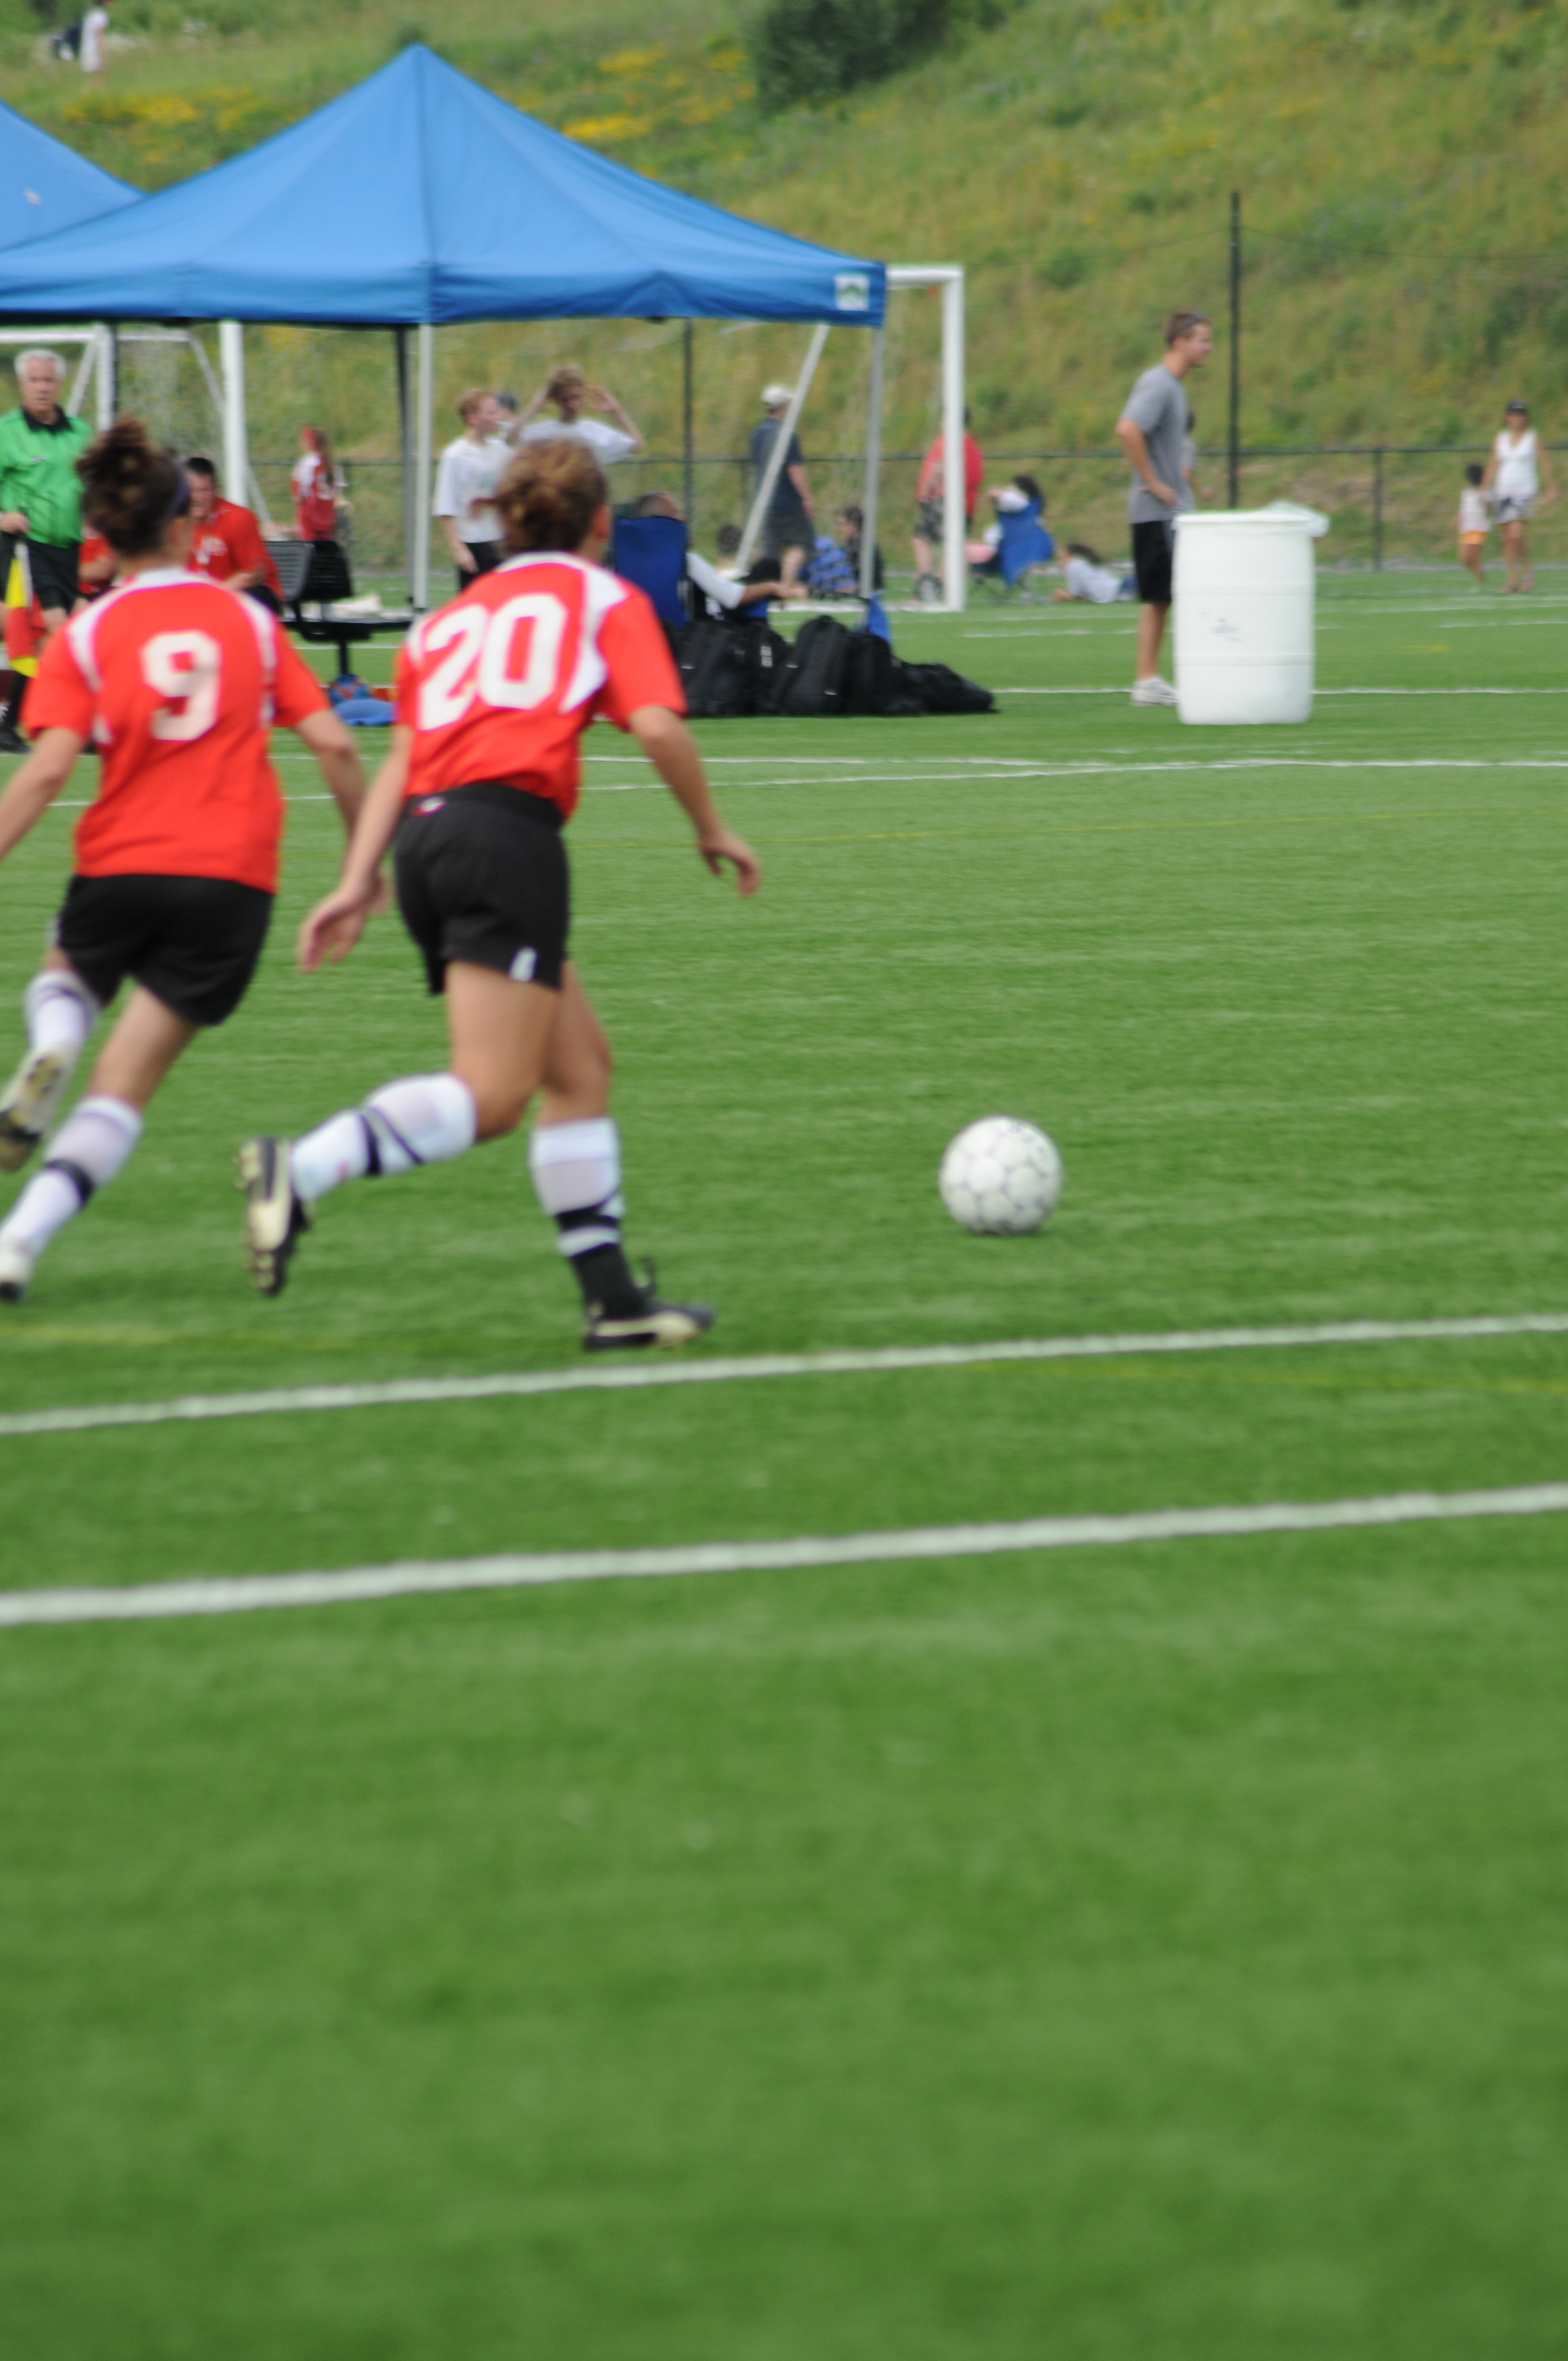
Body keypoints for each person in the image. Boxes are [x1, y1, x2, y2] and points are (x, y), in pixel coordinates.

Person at [238, 436, 761, 1351]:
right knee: (492, 1093)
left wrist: (358, 878)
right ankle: (302, 1169)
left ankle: (612, 1302)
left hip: (428, 840)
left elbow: (403, 757)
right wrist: (710, 827)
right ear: (601, 522)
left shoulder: (448, 622)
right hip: (503, 839)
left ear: (505, 524)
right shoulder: (604, 598)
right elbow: (656, 726)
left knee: (579, 1069)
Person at [0, 420, 368, 1302]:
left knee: (66, 983)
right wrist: (363, 870)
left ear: (103, 535)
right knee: (121, 1091)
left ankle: (55, 1042)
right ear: (182, 526)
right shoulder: (246, 622)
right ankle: (17, 1242)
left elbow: (46, 770)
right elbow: (336, 745)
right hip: (233, 882)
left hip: (122, 863)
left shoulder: (88, 633)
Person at [1114, 309, 1213, 706]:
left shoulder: (1173, 386)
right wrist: (1153, 482)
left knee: (1167, 597)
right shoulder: (1159, 383)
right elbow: (1128, 428)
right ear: (1180, 341)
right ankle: (1147, 680)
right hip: (1156, 512)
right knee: (1161, 598)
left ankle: (1152, 678)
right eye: (1202, 340)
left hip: (1169, 513)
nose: (1209, 347)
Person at [0, 349, 94, 647]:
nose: (42, 388)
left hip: (69, 550)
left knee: (74, 632)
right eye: (34, 380)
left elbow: (97, 484)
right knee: (55, 631)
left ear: (59, 384)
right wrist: (3, 518)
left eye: (48, 380)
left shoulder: (80, 432)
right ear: (22, 383)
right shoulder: (6, 432)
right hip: (27, 547)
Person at [629, 489, 783, 618]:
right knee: (769, 567)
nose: (682, 517)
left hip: (647, 632)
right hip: (690, 636)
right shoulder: (682, 560)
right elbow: (733, 597)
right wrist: (772, 587)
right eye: (674, 513)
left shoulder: (625, 561)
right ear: (659, 521)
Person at [433, 388, 509, 591]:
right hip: (474, 543)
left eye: (497, 411)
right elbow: (445, 508)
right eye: (490, 413)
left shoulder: (501, 451)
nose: (497, 417)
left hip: (500, 541)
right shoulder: (456, 455)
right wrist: (459, 549)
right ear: (472, 418)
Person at [184, 456, 283, 610]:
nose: (198, 498)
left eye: (205, 490)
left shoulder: (238, 517)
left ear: (216, 490)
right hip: (203, 596)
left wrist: (213, 596)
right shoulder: (175, 522)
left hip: (248, 593)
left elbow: (255, 573)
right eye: (192, 491)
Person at [1482, 400, 1555, 593]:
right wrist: (1484, 487)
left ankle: (1525, 574)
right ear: (1508, 418)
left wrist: (1551, 486)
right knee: (1507, 538)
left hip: (1524, 492)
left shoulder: (1532, 438)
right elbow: (1493, 464)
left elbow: (1544, 463)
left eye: (1521, 415)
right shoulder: (1501, 438)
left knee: (1517, 535)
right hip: (1503, 491)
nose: (1518, 418)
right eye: (1514, 415)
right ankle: (1513, 578)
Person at [748, 385, 815, 599]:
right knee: (803, 544)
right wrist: (806, 496)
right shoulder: (787, 434)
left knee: (771, 552)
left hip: (764, 502)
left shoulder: (757, 434)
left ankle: (768, 588)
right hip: (787, 502)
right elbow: (794, 470)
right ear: (783, 406)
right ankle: (784, 587)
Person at [912, 410, 984, 600]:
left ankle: (928, 585)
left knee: (921, 539)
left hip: (946, 500)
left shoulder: (950, 440)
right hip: (967, 504)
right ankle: (940, 584)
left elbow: (938, 467)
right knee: (953, 545)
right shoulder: (971, 443)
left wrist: (924, 493)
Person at [513, 365, 644, 465]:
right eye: (565, 399)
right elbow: (511, 440)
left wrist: (616, 412)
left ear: (583, 395)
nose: (571, 405)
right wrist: (534, 407)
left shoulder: (594, 431)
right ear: (556, 400)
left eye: (575, 397)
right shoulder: (545, 432)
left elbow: (637, 445)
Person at [291, 425, 339, 541]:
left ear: (310, 444)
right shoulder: (331, 464)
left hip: (309, 520)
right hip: (328, 519)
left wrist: (296, 521)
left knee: (308, 550)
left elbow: (298, 496)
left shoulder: (306, 464)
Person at [1053, 541, 1131, 603]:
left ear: (1067, 554)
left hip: (1117, 592)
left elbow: (1076, 596)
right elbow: (1086, 596)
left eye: (1060, 558)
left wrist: (1062, 595)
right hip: (1121, 586)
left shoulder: (1073, 566)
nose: (1059, 562)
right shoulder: (1082, 562)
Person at [1456, 463, 1490, 587]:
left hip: (1478, 528)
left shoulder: (1484, 492)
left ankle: (1480, 583)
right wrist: (1456, 519)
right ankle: (1480, 577)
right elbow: (1464, 509)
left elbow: (1489, 510)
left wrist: (1484, 500)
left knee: (1473, 557)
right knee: (1463, 559)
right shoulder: (1466, 493)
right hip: (1466, 529)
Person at [79, 0, 108, 70]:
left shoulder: (91, 14)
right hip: (94, 50)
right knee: (99, 73)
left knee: (95, 74)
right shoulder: (100, 15)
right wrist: (101, 55)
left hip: (86, 48)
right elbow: (99, 35)